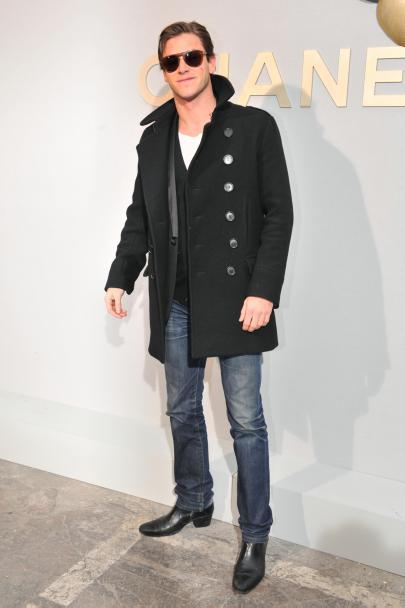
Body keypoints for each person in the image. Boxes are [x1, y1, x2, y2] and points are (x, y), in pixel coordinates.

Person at [104, 20, 294, 594]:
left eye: (192, 57)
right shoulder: (154, 138)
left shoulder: (253, 127)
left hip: (237, 299)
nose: (182, 68)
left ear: (211, 60)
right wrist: (120, 277)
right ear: (163, 70)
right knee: (182, 410)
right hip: (177, 297)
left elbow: (278, 214)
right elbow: (141, 216)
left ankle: (255, 535)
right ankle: (193, 500)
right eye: (171, 61)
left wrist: (263, 290)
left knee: (246, 423)